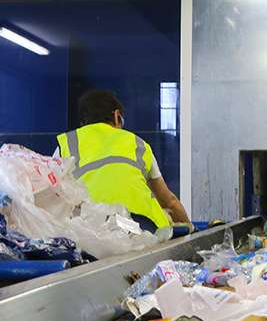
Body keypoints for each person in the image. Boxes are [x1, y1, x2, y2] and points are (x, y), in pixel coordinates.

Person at [55, 90, 189, 233]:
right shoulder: (138, 144)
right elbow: (169, 201)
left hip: (91, 231)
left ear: (83, 122)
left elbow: (54, 197)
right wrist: (190, 229)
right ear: (117, 115)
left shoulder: (66, 145)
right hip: (146, 227)